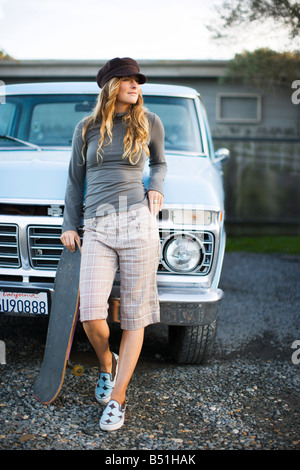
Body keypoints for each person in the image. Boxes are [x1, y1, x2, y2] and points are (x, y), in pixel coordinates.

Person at [60, 57, 167, 431]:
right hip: (97, 226)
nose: (136, 85)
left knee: (135, 314)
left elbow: (161, 163)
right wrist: (69, 224)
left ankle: (118, 398)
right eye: (128, 80)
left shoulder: (150, 122)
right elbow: (75, 180)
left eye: (138, 80)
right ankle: (107, 362)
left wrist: (156, 186)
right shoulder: (86, 128)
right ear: (111, 86)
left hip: (138, 222)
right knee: (91, 313)